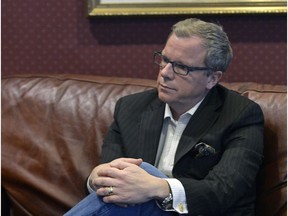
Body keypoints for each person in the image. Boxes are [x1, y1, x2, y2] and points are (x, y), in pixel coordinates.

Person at [65, 18, 264, 216]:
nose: (165, 73)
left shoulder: (241, 114)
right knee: (126, 183)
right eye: (165, 60)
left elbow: (224, 191)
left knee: (143, 172)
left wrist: (157, 187)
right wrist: (95, 178)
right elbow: (112, 182)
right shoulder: (130, 109)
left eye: (181, 67)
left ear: (212, 78)